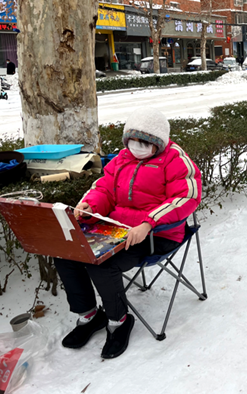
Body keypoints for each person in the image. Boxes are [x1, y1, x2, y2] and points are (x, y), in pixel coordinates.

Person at [54, 108, 202, 358]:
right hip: (117, 229)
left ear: (159, 142)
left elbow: (186, 197)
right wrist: (90, 205)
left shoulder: (175, 160)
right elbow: (105, 190)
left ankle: (119, 321)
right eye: (132, 141)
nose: (137, 147)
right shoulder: (122, 158)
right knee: (66, 254)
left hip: (158, 235)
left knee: (101, 265)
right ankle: (90, 315)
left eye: (144, 143)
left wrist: (148, 223)